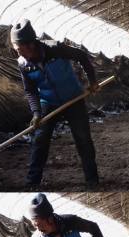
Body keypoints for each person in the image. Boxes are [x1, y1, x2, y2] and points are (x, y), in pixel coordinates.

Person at [11, 19, 100, 188]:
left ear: (29, 45)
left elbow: (82, 57)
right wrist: (37, 112)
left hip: (73, 98)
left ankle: (92, 180)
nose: (17, 53)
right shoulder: (23, 64)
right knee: (40, 139)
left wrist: (93, 81)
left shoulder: (56, 48)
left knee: (83, 139)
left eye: (18, 49)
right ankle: (32, 182)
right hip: (48, 102)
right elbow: (30, 90)